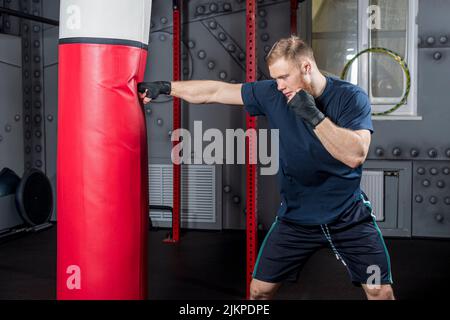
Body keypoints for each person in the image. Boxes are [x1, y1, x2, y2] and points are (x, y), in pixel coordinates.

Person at [138, 36, 395, 300]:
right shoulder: (273, 92)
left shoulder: (350, 97)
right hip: (296, 220)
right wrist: (166, 87)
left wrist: (315, 116)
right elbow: (216, 91)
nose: (279, 85)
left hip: (348, 218)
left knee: (379, 291)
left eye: (284, 77)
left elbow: (355, 154)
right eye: (275, 78)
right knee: (259, 291)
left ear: (306, 67)